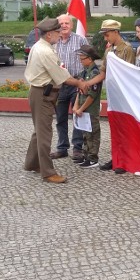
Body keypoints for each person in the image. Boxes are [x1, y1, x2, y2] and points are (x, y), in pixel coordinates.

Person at [23, 17, 85, 184]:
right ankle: (48, 172)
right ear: (49, 34)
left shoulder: (41, 46)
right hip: (42, 93)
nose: (60, 34)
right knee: (44, 134)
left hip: (41, 92)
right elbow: (61, 76)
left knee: (39, 131)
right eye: (57, 32)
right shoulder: (45, 51)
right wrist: (79, 82)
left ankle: (32, 163)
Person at [81, 19, 136, 174]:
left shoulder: (127, 49)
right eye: (104, 35)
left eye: (107, 34)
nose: (106, 38)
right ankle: (117, 158)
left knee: (125, 128)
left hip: (124, 95)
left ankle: (126, 160)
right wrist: (88, 83)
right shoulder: (109, 51)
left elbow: (129, 74)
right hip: (113, 95)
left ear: (116, 32)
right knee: (115, 128)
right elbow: (103, 73)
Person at [51, 14, 89, 163]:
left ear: (72, 26)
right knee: (60, 117)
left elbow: (89, 59)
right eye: (61, 23)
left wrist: (84, 79)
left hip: (76, 82)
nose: (64, 26)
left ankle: (77, 148)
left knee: (77, 116)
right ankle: (62, 148)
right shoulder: (54, 42)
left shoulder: (80, 40)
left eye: (67, 23)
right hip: (60, 84)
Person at [72, 45, 103, 169]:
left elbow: (92, 95)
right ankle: (86, 154)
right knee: (85, 133)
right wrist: (76, 106)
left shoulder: (95, 73)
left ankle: (93, 158)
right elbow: (79, 91)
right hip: (82, 109)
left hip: (90, 109)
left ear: (89, 59)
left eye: (82, 58)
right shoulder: (84, 72)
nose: (80, 60)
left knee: (93, 133)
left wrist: (81, 108)